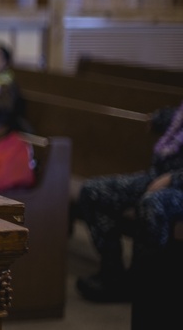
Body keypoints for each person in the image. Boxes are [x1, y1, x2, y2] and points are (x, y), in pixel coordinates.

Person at [75, 102, 183, 304]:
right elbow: (173, 118)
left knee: (152, 204)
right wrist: (161, 117)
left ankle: (145, 285)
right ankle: (113, 273)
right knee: (94, 191)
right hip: (158, 175)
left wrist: (173, 179)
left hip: (177, 185)